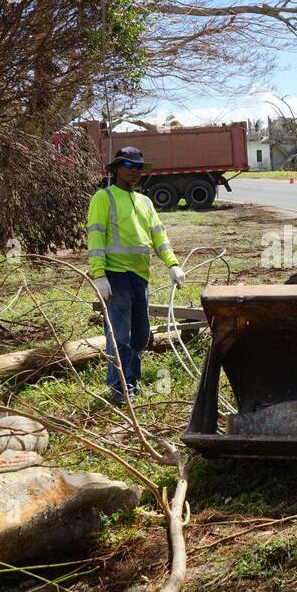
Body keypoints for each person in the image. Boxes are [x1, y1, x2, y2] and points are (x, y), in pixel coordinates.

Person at [87, 146, 186, 404]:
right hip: (115, 275)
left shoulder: (145, 202)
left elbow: (158, 235)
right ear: (117, 169)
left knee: (141, 334)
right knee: (119, 335)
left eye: (139, 168)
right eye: (130, 167)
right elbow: (95, 236)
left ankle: (134, 378)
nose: (135, 172)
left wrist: (172, 264)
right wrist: (99, 275)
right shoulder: (103, 197)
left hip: (140, 276)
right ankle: (121, 388)